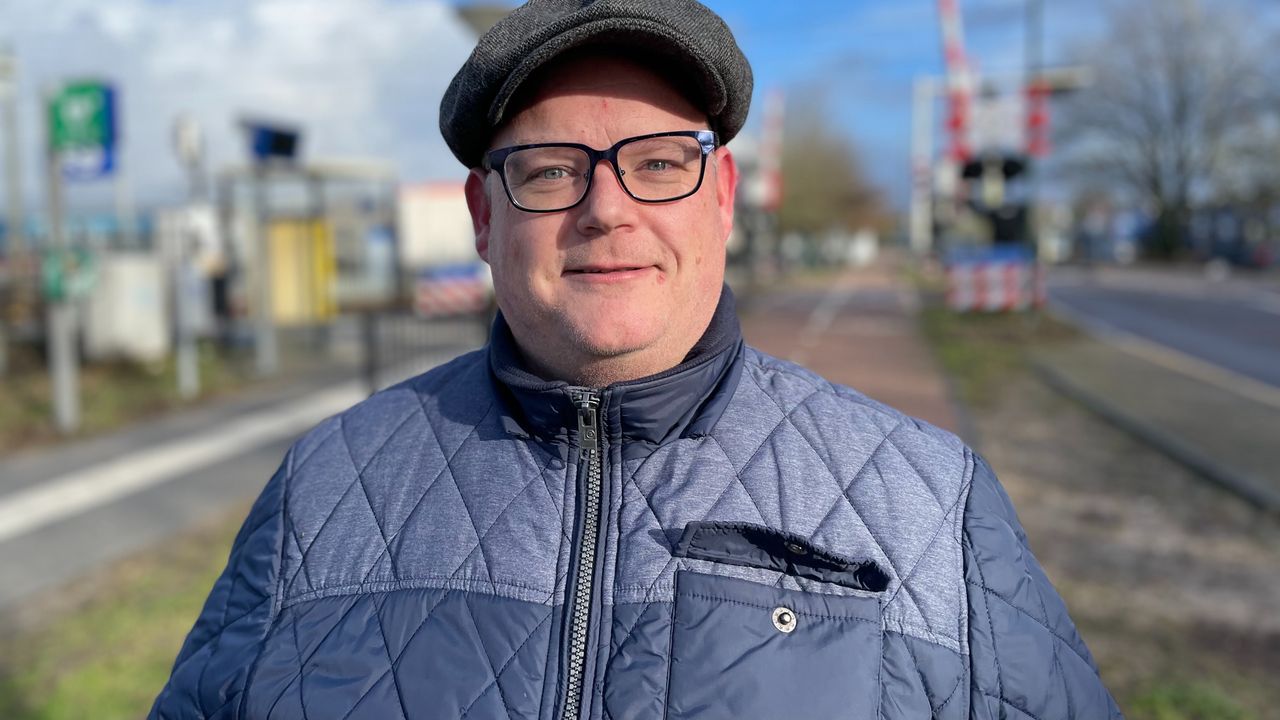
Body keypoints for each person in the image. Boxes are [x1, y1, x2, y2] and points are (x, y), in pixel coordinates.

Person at [151, 1, 1121, 718]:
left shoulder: (932, 505)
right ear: (484, 217)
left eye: (658, 162)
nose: (606, 209)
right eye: (550, 171)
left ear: (721, 195)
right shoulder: (321, 490)